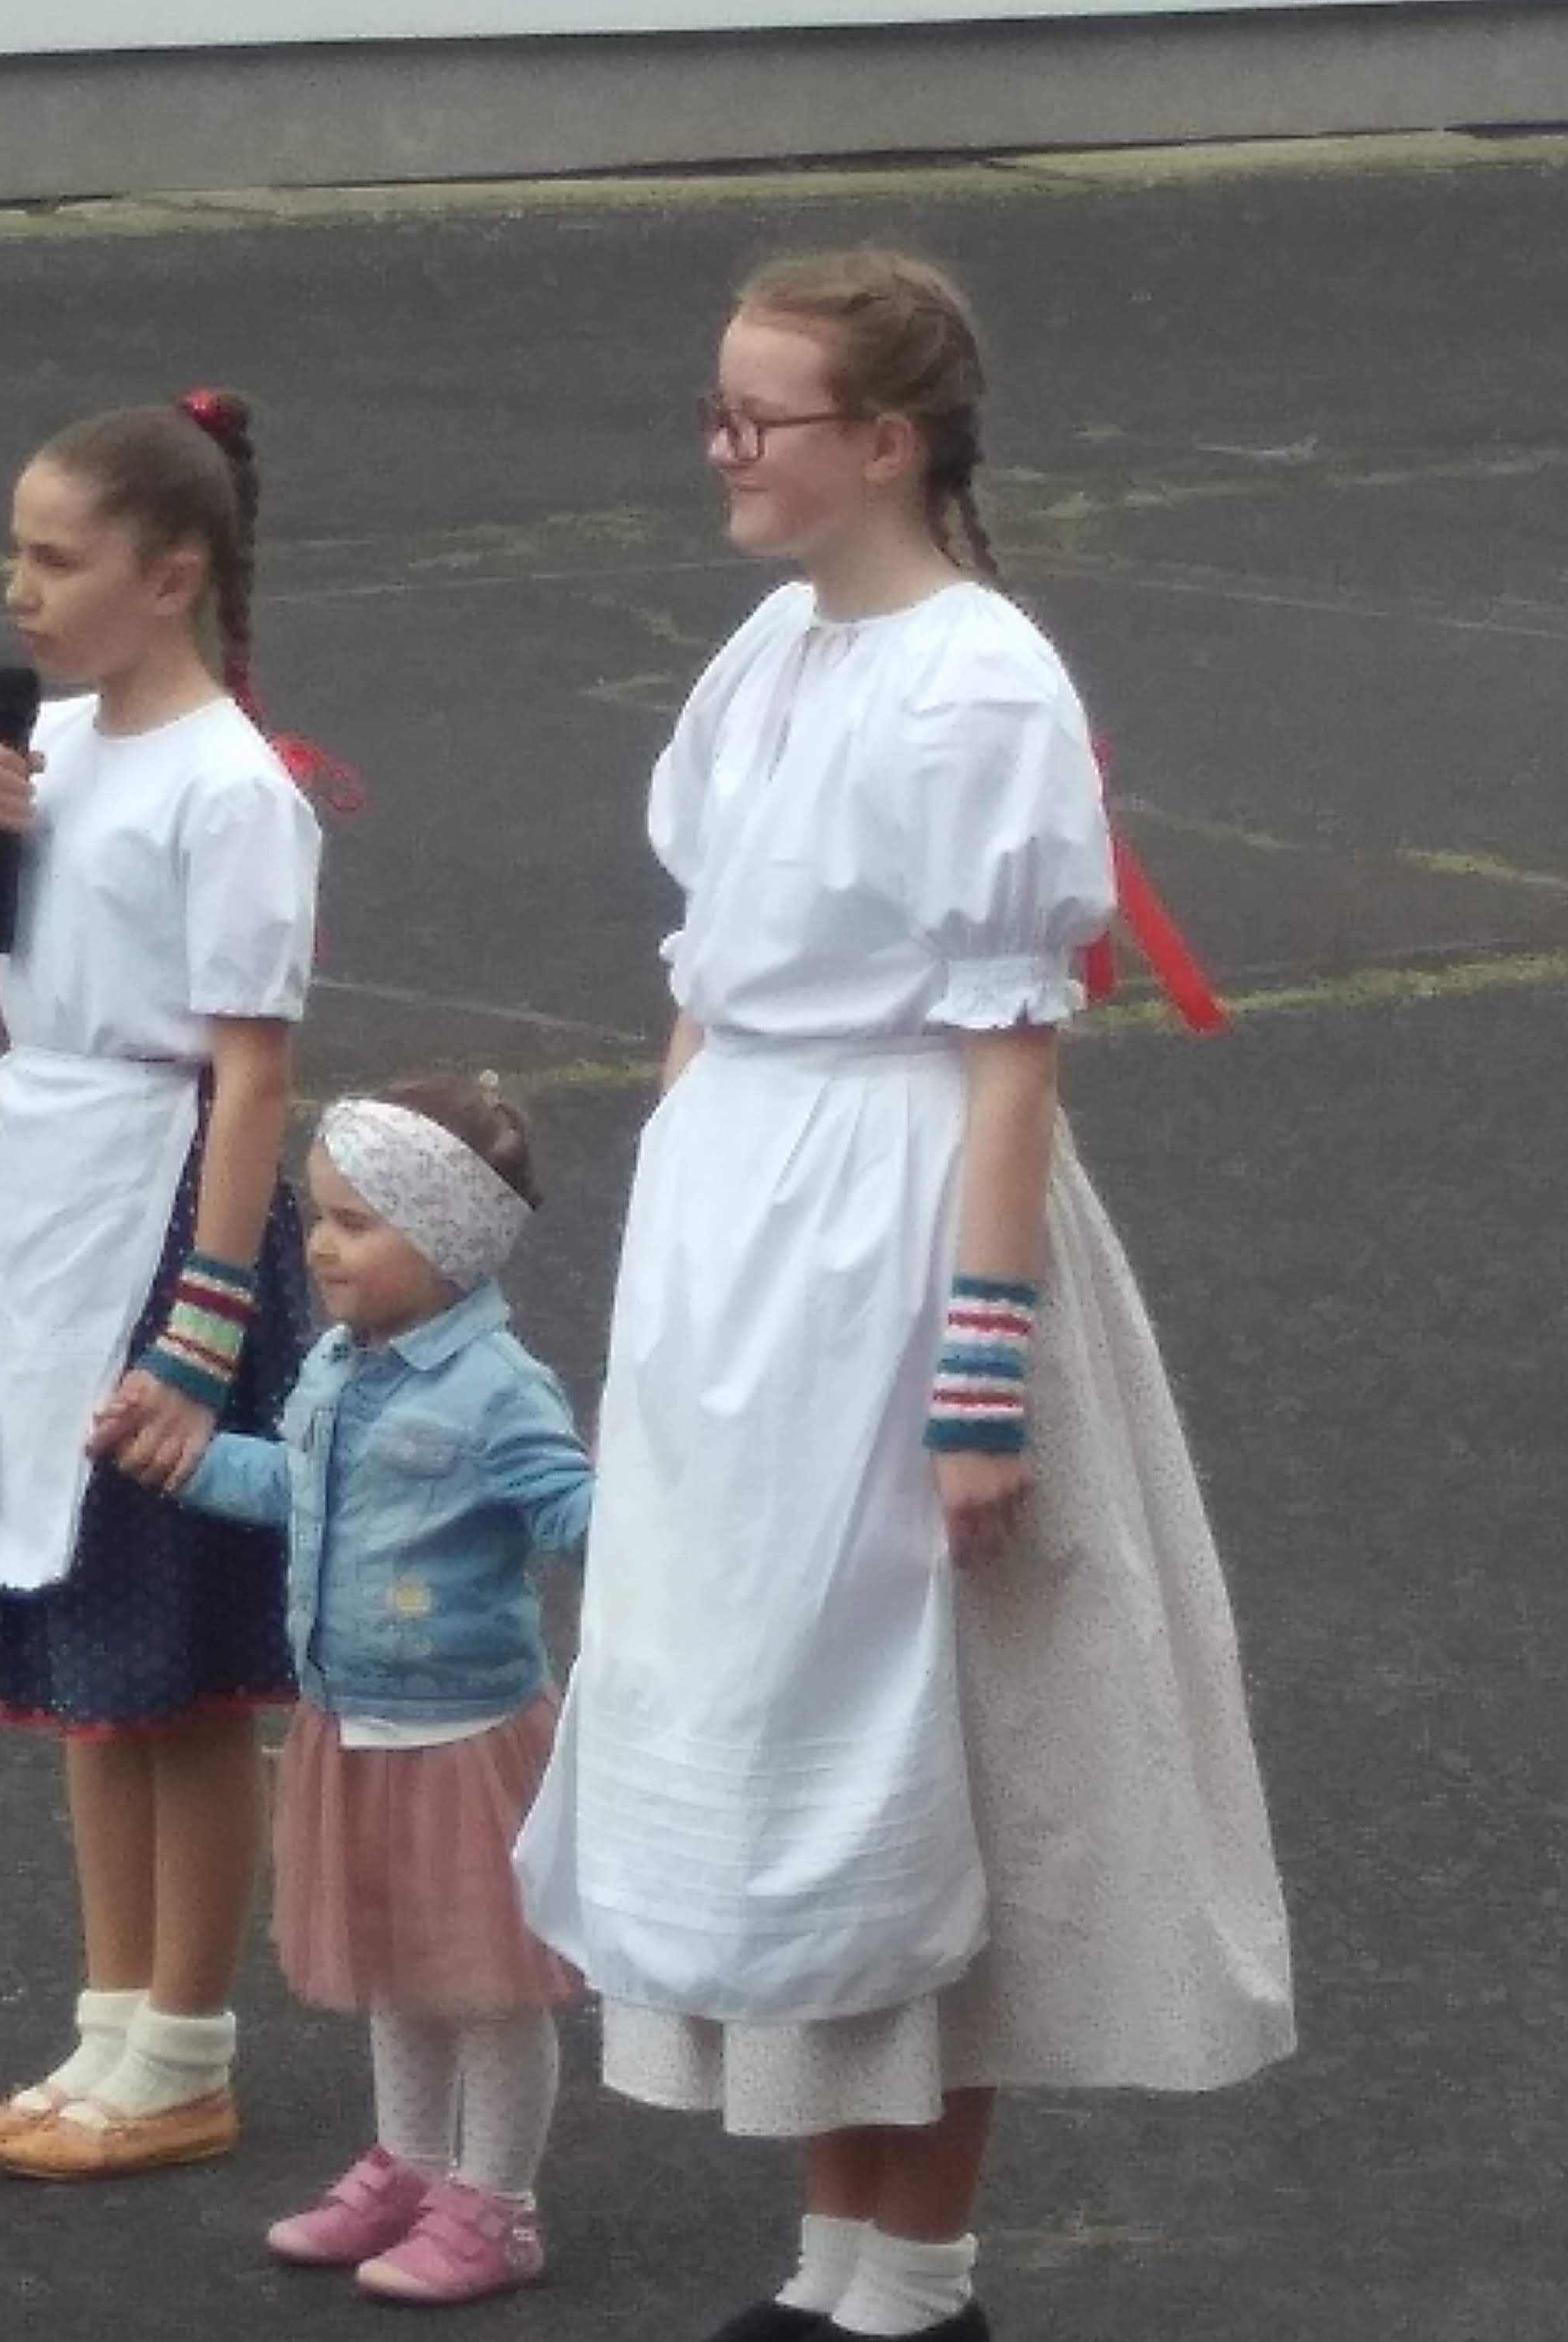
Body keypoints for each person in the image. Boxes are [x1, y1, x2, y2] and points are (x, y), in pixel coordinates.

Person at [513, 250, 1295, 2342]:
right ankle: (833, 2266)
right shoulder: (771, 653)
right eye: (713, 408)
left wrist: (977, 1378)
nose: (719, 450)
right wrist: (675, 1265)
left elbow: (1008, 1056)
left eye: (755, 418)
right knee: (775, 1732)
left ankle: (916, 2285)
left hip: (894, 1231)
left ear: (884, 441)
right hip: (747, 1249)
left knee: (918, 1738)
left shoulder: (976, 685)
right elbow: (704, 987)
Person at [0, 387, 326, 2183]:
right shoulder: (50, 754)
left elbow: (251, 1075)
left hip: (166, 1225)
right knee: (87, 1649)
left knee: (183, 1673)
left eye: (56, 558)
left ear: (169, 576)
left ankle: (185, 2049)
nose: (20, 589)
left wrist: (203, 1328)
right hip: (47, 1204)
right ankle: (105, 2030)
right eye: (14, 552)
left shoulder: (230, 790)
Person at [105, 1073, 589, 2304]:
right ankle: (413, 2167)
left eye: (357, 1223)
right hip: (350, 1719)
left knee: (487, 1982)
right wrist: (187, 1460)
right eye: (319, 1214)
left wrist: (653, 1530)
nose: (321, 1244)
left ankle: (498, 2205)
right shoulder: (334, 1364)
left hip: (461, 1734)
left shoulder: (499, 1388)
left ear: (450, 1238)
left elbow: (573, 1511)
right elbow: (299, 1488)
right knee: (396, 1965)